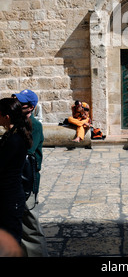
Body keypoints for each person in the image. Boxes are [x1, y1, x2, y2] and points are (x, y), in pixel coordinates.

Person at [14, 89, 48, 257]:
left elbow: (27, 151)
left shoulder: (34, 126)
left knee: (31, 224)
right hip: (19, 181)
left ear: (31, 107)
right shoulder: (20, 124)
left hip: (27, 181)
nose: (17, 105)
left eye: (21, 103)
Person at [0, 97, 32, 245]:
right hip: (9, 195)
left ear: (6, 117)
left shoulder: (14, 139)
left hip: (10, 197)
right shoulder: (13, 135)